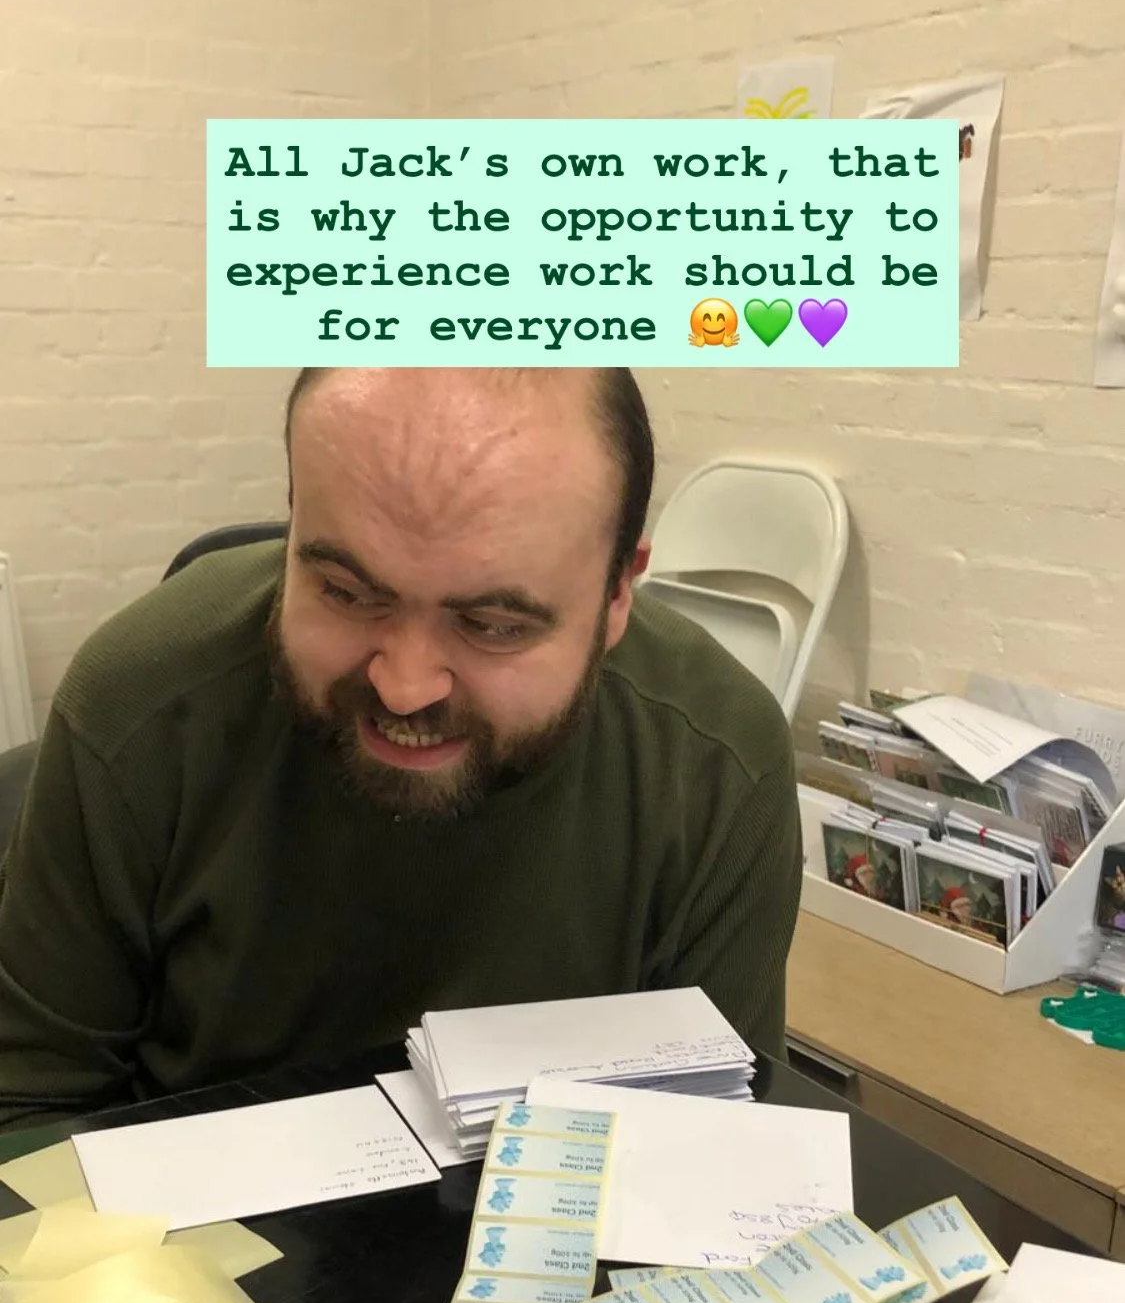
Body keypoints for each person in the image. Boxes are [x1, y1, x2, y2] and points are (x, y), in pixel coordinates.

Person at [0, 367, 802, 1130]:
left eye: (493, 625)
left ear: (618, 590)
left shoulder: (717, 763)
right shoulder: (138, 701)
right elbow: (29, 1111)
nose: (404, 687)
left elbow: (712, 1146)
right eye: (346, 593)